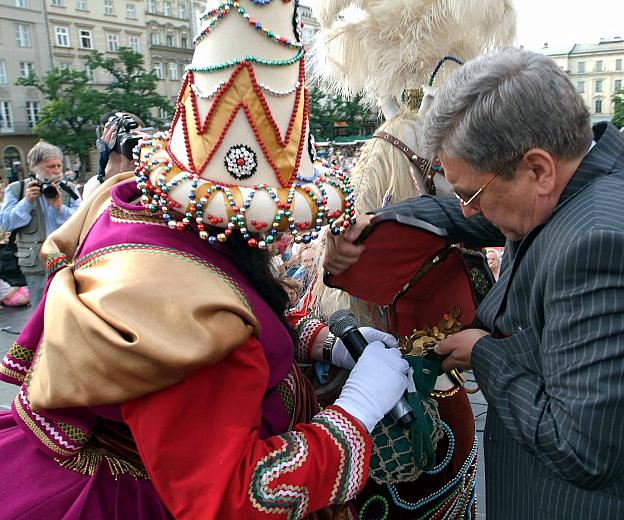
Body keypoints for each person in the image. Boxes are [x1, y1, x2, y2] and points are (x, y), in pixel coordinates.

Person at [0, 0, 412, 517]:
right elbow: (232, 495)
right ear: (234, 221)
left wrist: (323, 342)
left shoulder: (143, 208)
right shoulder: (180, 311)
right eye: (269, 224)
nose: (276, 241)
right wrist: (357, 412)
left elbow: (245, 300)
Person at [325, 47, 624, 519]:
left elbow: (580, 446)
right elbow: (476, 221)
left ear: (537, 168)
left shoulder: (604, 250)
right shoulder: (588, 177)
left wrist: (483, 353)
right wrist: (378, 223)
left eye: (471, 194)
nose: (468, 210)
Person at [0, 141, 81, 308]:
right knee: (40, 310)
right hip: (34, 261)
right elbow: (6, 223)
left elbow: (81, 221)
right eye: (51, 166)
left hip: (65, 258)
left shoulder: (69, 189)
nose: (57, 170)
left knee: (67, 307)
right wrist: (27, 201)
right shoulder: (17, 189)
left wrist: (60, 208)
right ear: (34, 167)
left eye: (59, 165)